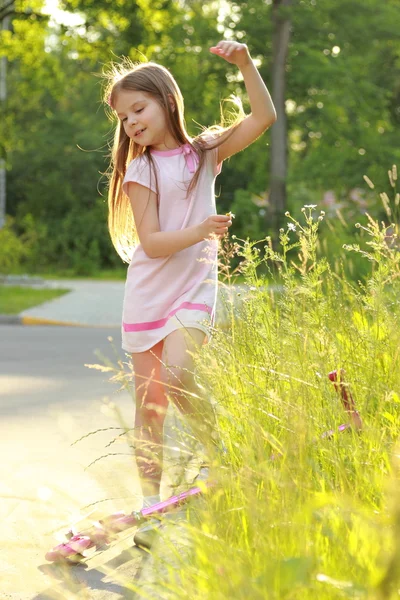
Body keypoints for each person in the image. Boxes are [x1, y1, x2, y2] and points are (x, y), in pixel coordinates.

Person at [104, 40, 277, 544]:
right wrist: (203, 230)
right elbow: (153, 244)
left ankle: (221, 455)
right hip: (148, 294)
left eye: (139, 108)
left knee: (180, 374)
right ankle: (150, 506)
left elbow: (263, 117)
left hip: (194, 289)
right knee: (150, 406)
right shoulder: (140, 169)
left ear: (167, 101)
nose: (131, 122)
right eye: (123, 117)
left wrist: (246, 63)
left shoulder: (203, 154)